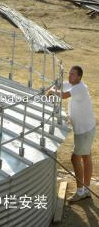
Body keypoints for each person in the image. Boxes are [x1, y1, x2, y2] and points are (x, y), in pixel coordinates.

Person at [47, 66, 96, 202]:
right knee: (86, 157)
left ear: (79, 77)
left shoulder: (79, 88)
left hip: (84, 131)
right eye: (69, 73)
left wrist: (51, 91)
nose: (70, 76)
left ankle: (81, 191)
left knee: (75, 159)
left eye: (73, 74)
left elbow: (63, 95)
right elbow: (62, 86)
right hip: (86, 128)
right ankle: (85, 189)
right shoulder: (73, 84)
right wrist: (55, 84)